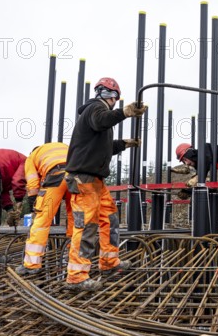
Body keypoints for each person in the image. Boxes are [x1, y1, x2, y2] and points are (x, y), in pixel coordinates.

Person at [64, 77, 147, 292]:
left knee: (109, 218)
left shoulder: (98, 115)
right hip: (84, 178)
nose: (111, 99)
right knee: (87, 225)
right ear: (110, 97)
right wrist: (125, 113)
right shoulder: (94, 109)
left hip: (96, 181)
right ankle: (76, 277)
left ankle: (109, 262)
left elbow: (103, 147)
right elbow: (102, 120)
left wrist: (124, 144)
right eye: (111, 96)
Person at [16, 142, 73, 275]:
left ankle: (32, 264)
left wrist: (33, 204)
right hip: (77, 176)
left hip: (56, 176)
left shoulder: (32, 157)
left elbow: (33, 183)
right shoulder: (61, 147)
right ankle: (73, 258)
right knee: (75, 219)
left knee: (42, 222)